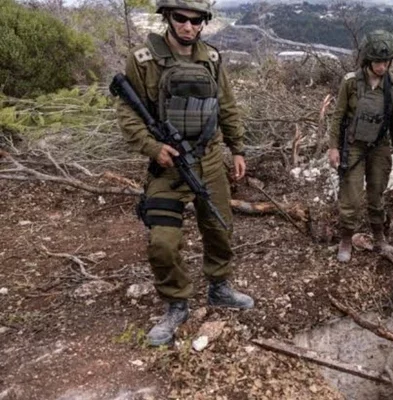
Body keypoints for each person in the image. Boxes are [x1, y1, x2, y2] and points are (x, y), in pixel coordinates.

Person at [116, 0, 254, 346]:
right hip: (168, 164)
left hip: (208, 160)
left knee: (220, 227)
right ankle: (176, 303)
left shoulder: (211, 58)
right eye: (181, 18)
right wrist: (153, 148)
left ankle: (219, 287)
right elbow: (129, 115)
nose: (188, 27)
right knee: (163, 242)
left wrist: (237, 148)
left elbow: (226, 105)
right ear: (168, 17)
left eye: (196, 21)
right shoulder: (143, 61)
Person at [327, 30, 393, 262]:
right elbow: (338, 116)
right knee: (351, 196)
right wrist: (333, 147)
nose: (382, 66)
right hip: (354, 145)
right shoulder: (351, 83)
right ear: (368, 60)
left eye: (386, 61)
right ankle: (346, 238)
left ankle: (379, 237)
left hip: (379, 146)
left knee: (377, 193)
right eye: (378, 61)